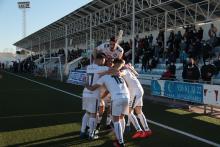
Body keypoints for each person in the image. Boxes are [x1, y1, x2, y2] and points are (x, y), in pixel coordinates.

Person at [86, 59, 129, 147]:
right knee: (122, 118)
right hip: (127, 96)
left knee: (116, 120)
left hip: (117, 97)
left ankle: (120, 142)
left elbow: (92, 88)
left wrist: (86, 84)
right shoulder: (119, 75)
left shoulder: (104, 77)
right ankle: (120, 137)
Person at [80, 53, 109, 140]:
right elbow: (114, 70)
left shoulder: (89, 67)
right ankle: (91, 134)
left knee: (87, 113)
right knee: (93, 114)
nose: (104, 62)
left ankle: (82, 131)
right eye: (103, 60)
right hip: (94, 93)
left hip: (85, 92)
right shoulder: (102, 68)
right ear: (99, 59)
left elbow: (84, 79)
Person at [122, 65, 152, 139]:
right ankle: (147, 130)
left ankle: (139, 130)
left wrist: (110, 71)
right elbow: (137, 74)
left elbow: (120, 73)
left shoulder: (124, 71)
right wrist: (131, 68)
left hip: (135, 92)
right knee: (139, 111)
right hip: (138, 90)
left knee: (128, 111)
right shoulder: (128, 70)